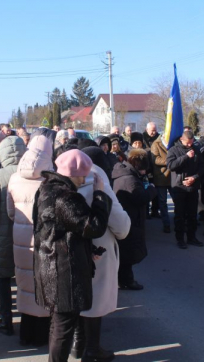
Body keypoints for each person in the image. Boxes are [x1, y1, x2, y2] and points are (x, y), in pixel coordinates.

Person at [33, 150, 112, 362]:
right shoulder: (66, 197)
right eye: (82, 175)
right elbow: (93, 227)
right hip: (62, 271)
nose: (84, 180)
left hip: (52, 263)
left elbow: (62, 231)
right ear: (74, 174)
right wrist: (99, 196)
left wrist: (87, 251)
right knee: (63, 327)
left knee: (59, 324)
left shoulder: (46, 189)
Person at [72, 146, 130, 361]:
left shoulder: (63, 180)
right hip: (99, 249)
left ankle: (78, 345)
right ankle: (91, 350)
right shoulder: (100, 183)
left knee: (76, 296)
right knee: (94, 302)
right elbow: (121, 227)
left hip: (70, 249)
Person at [7, 135, 53, 346]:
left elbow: (10, 212)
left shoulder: (15, 177)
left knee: (25, 282)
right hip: (44, 239)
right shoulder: (51, 179)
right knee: (44, 283)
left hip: (20, 237)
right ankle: (42, 334)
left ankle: (25, 334)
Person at [0, 136, 27, 336]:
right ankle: (31, 319)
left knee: (2, 277)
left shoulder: (0, 175)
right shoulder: (32, 172)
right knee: (28, 276)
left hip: (4, 234)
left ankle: (6, 319)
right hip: (29, 234)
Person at [112, 149, 155, 290]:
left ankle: (122, 279)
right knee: (128, 252)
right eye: (143, 169)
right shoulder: (130, 180)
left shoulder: (124, 174)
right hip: (131, 219)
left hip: (127, 218)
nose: (145, 172)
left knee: (125, 251)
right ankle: (127, 281)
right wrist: (151, 190)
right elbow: (140, 198)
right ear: (138, 165)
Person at [167, 130, 204, 249]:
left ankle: (191, 237)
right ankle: (180, 239)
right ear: (182, 140)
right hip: (179, 187)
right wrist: (185, 157)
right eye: (188, 143)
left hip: (192, 187)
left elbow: (202, 166)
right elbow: (171, 166)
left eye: (192, 142)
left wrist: (194, 177)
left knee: (192, 214)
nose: (190, 145)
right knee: (180, 215)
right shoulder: (173, 150)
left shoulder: (196, 149)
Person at [150, 136, 173, 233]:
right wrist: (170, 161)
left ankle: (179, 222)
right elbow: (156, 160)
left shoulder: (173, 143)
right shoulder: (156, 144)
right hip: (161, 177)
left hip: (173, 177)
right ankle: (166, 224)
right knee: (163, 202)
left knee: (177, 199)